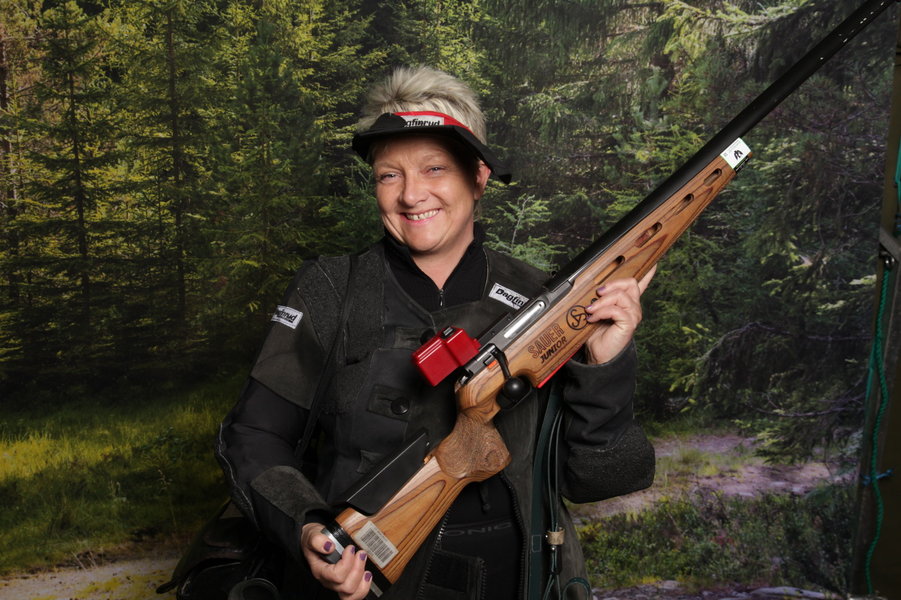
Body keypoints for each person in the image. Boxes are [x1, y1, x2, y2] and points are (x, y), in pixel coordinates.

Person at [216, 65, 656, 600]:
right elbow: (254, 436)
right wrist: (308, 528)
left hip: (524, 584)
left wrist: (604, 367)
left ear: (479, 176)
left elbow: (602, 479)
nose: (411, 194)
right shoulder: (331, 290)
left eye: (434, 168)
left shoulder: (543, 300)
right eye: (389, 175)